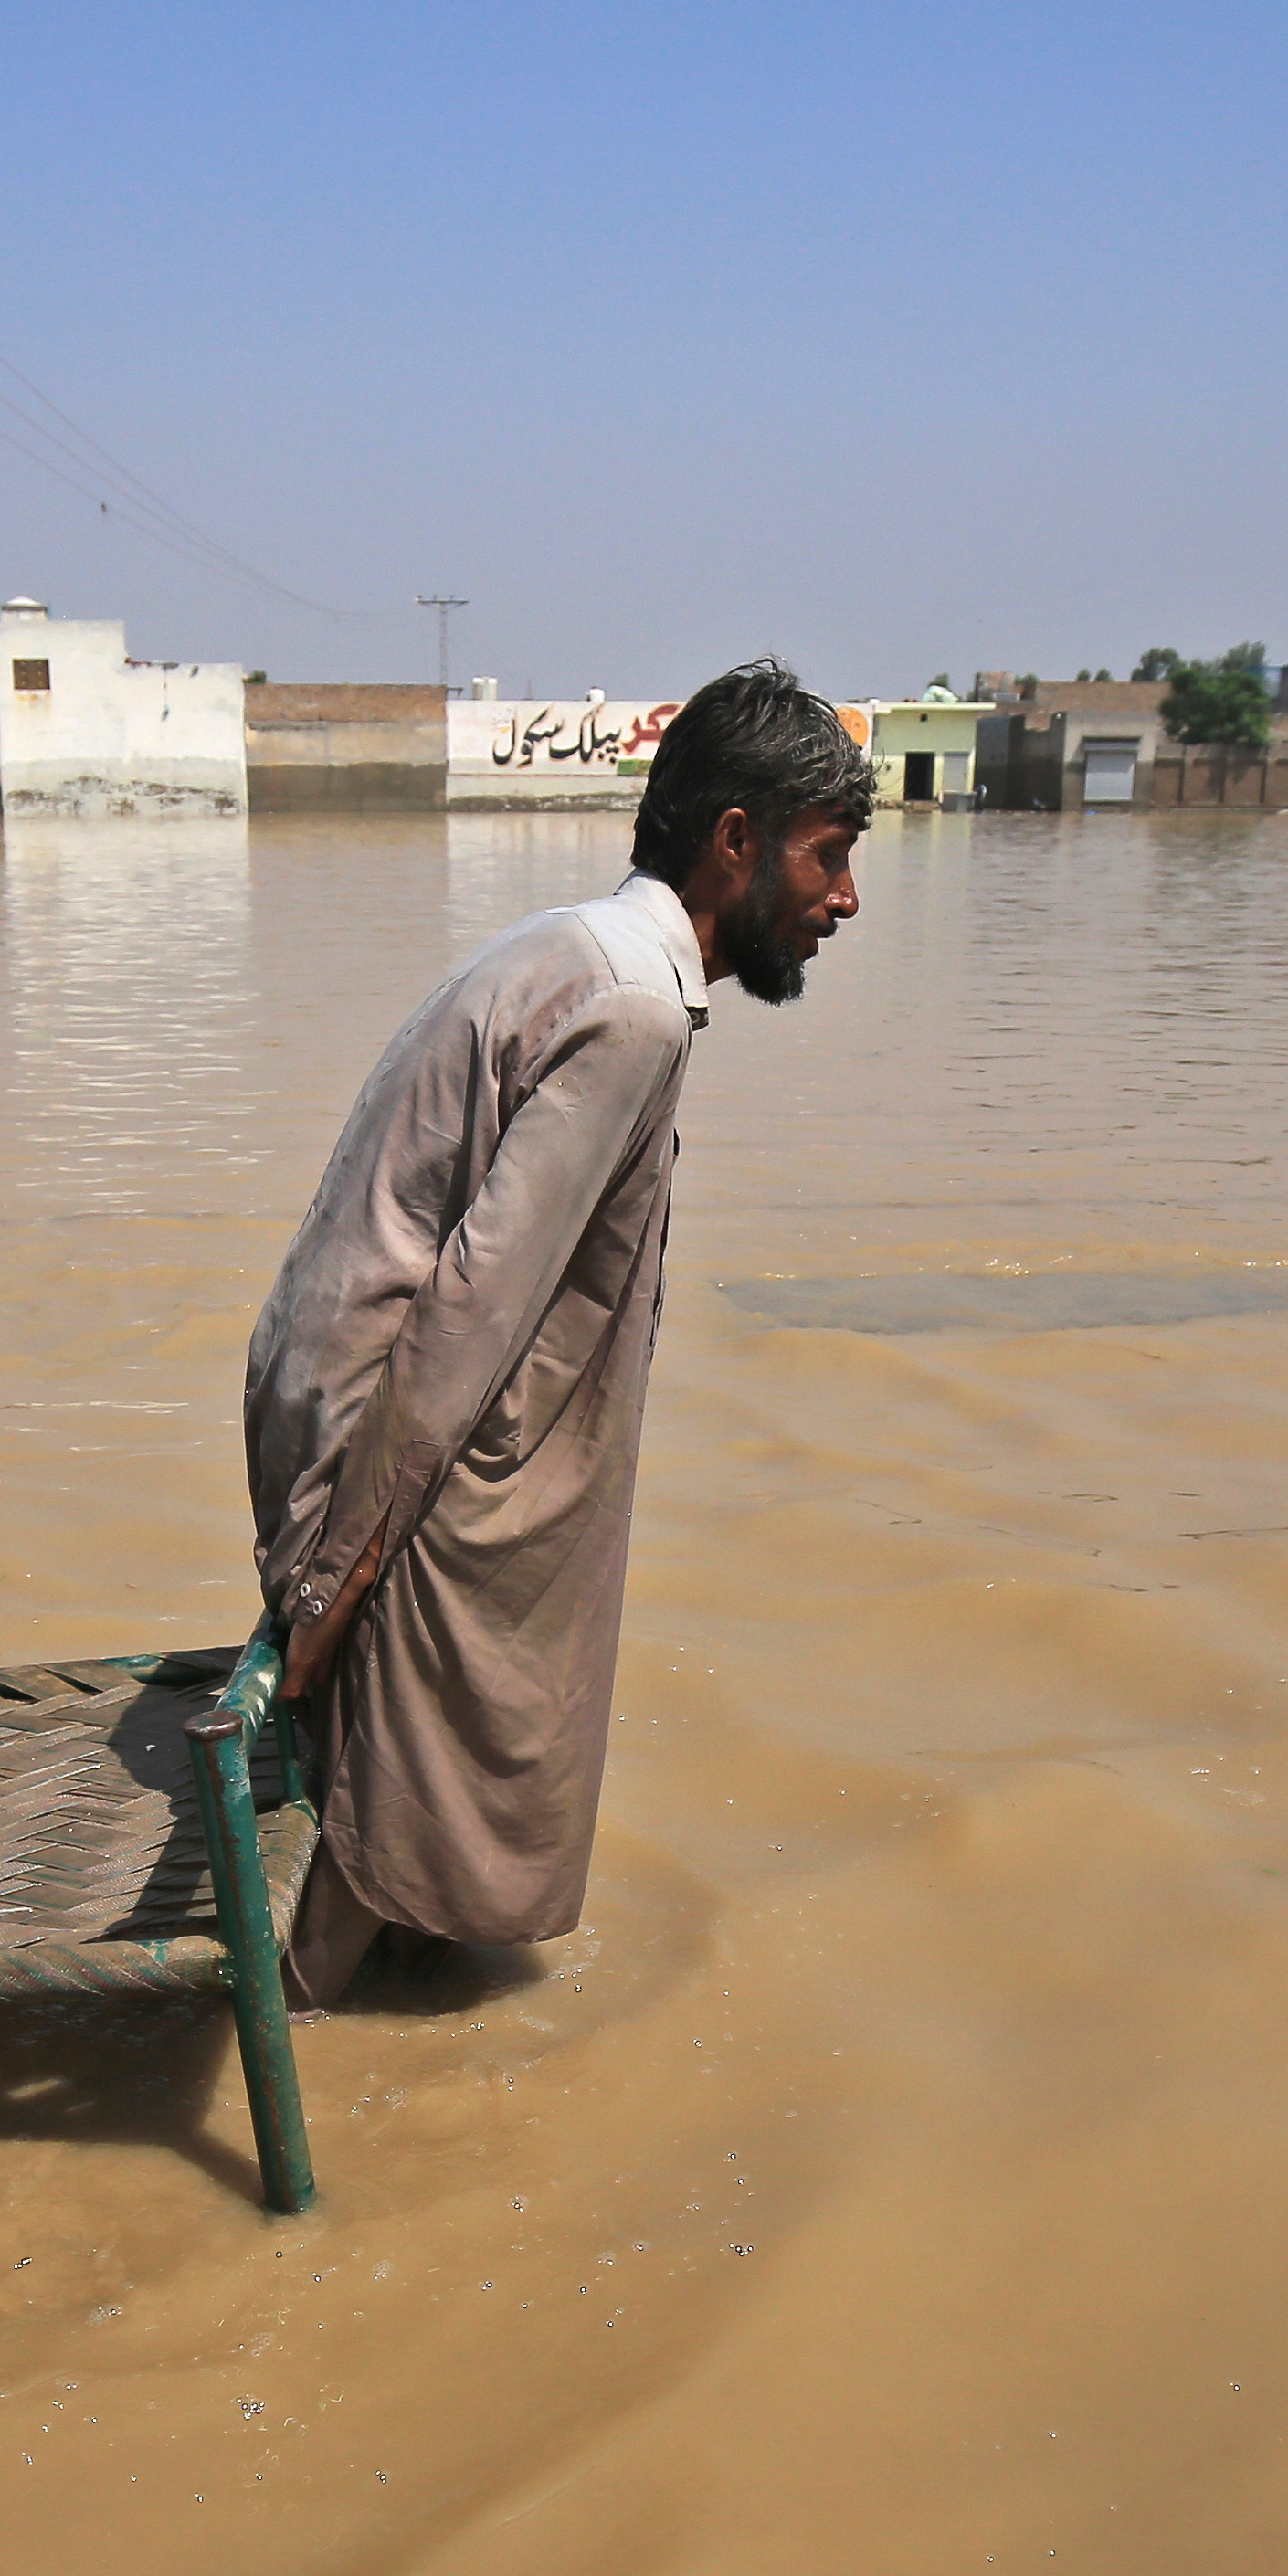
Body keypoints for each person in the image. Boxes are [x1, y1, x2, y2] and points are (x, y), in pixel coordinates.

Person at [241, 660, 875, 2008]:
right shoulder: (635, 1009)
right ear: (738, 842)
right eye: (830, 859)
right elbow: (471, 1314)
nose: (845, 900)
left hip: (327, 1365)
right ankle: (301, 2022)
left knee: (450, 1726)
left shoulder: (579, 946)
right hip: (385, 1409)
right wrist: (337, 1578)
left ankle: (404, 1991)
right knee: (428, 1740)